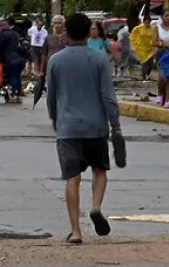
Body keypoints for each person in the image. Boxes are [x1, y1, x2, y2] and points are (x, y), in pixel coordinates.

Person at [45, 12, 124, 245]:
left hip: (68, 128)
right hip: (96, 127)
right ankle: (96, 207)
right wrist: (115, 125)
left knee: (73, 177)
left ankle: (76, 231)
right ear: (89, 31)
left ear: (66, 32)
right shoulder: (99, 59)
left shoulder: (55, 61)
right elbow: (108, 96)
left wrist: (55, 119)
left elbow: (51, 97)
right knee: (99, 170)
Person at [0, 16, 26, 100]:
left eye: (4, 25)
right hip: (22, 59)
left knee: (13, 75)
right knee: (17, 75)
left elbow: (0, 47)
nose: (2, 27)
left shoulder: (5, 34)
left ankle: (15, 93)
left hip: (12, 58)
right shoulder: (17, 33)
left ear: (8, 24)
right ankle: (18, 93)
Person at [129, 14, 156, 81]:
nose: (147, 24)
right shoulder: (138, 28)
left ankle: (147, 74)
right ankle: (144, 77)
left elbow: (156, 37)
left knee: (150, 64)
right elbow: (132, 36)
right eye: (145, 22)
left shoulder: (153, 29)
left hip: (150, 48)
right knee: (144, 63)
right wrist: (135, 44)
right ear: (143, 22)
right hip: (142, 48)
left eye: (148, 22)